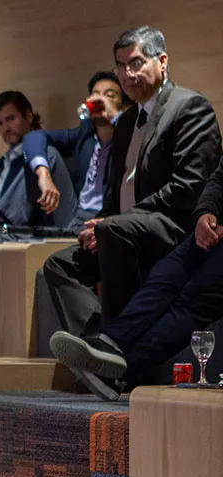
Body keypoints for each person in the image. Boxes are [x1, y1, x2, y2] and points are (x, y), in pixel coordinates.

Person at [42, 26, 222, 399]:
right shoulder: (125, 123)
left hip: (169, 227)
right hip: (133, 228)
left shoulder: (189, 107)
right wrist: (98, 223)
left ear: (162, 61)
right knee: (58, 264)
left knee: (119, 238)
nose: (127, 74)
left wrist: (112, 223)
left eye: (136, 63)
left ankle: (112, 360)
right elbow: (115, 193)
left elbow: (190, 186)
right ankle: (97, 351)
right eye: (121, 66)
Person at [51, 157, 223, 396]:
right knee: (167, 272)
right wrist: (206, 212)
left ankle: (120, 373)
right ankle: (110, 342)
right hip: (215, 228)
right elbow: (219, 179)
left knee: (196, 297)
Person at [0, 91, 75, 242]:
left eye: (10, 119)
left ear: (28, 116)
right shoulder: (1, 163)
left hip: (13, 227)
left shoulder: (43, 155)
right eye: (0, 123)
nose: (6, 128)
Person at [24, 71, 132, 231]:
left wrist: (115, 117)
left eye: (109, 95)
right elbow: (33, 137)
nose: (100, 100)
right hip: (75, 214)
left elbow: (133, 143)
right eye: (95, 94)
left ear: (123, 106)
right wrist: (44, 175)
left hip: (109, 217)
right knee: (47, 153)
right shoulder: (85, 133)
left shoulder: (131, 136)